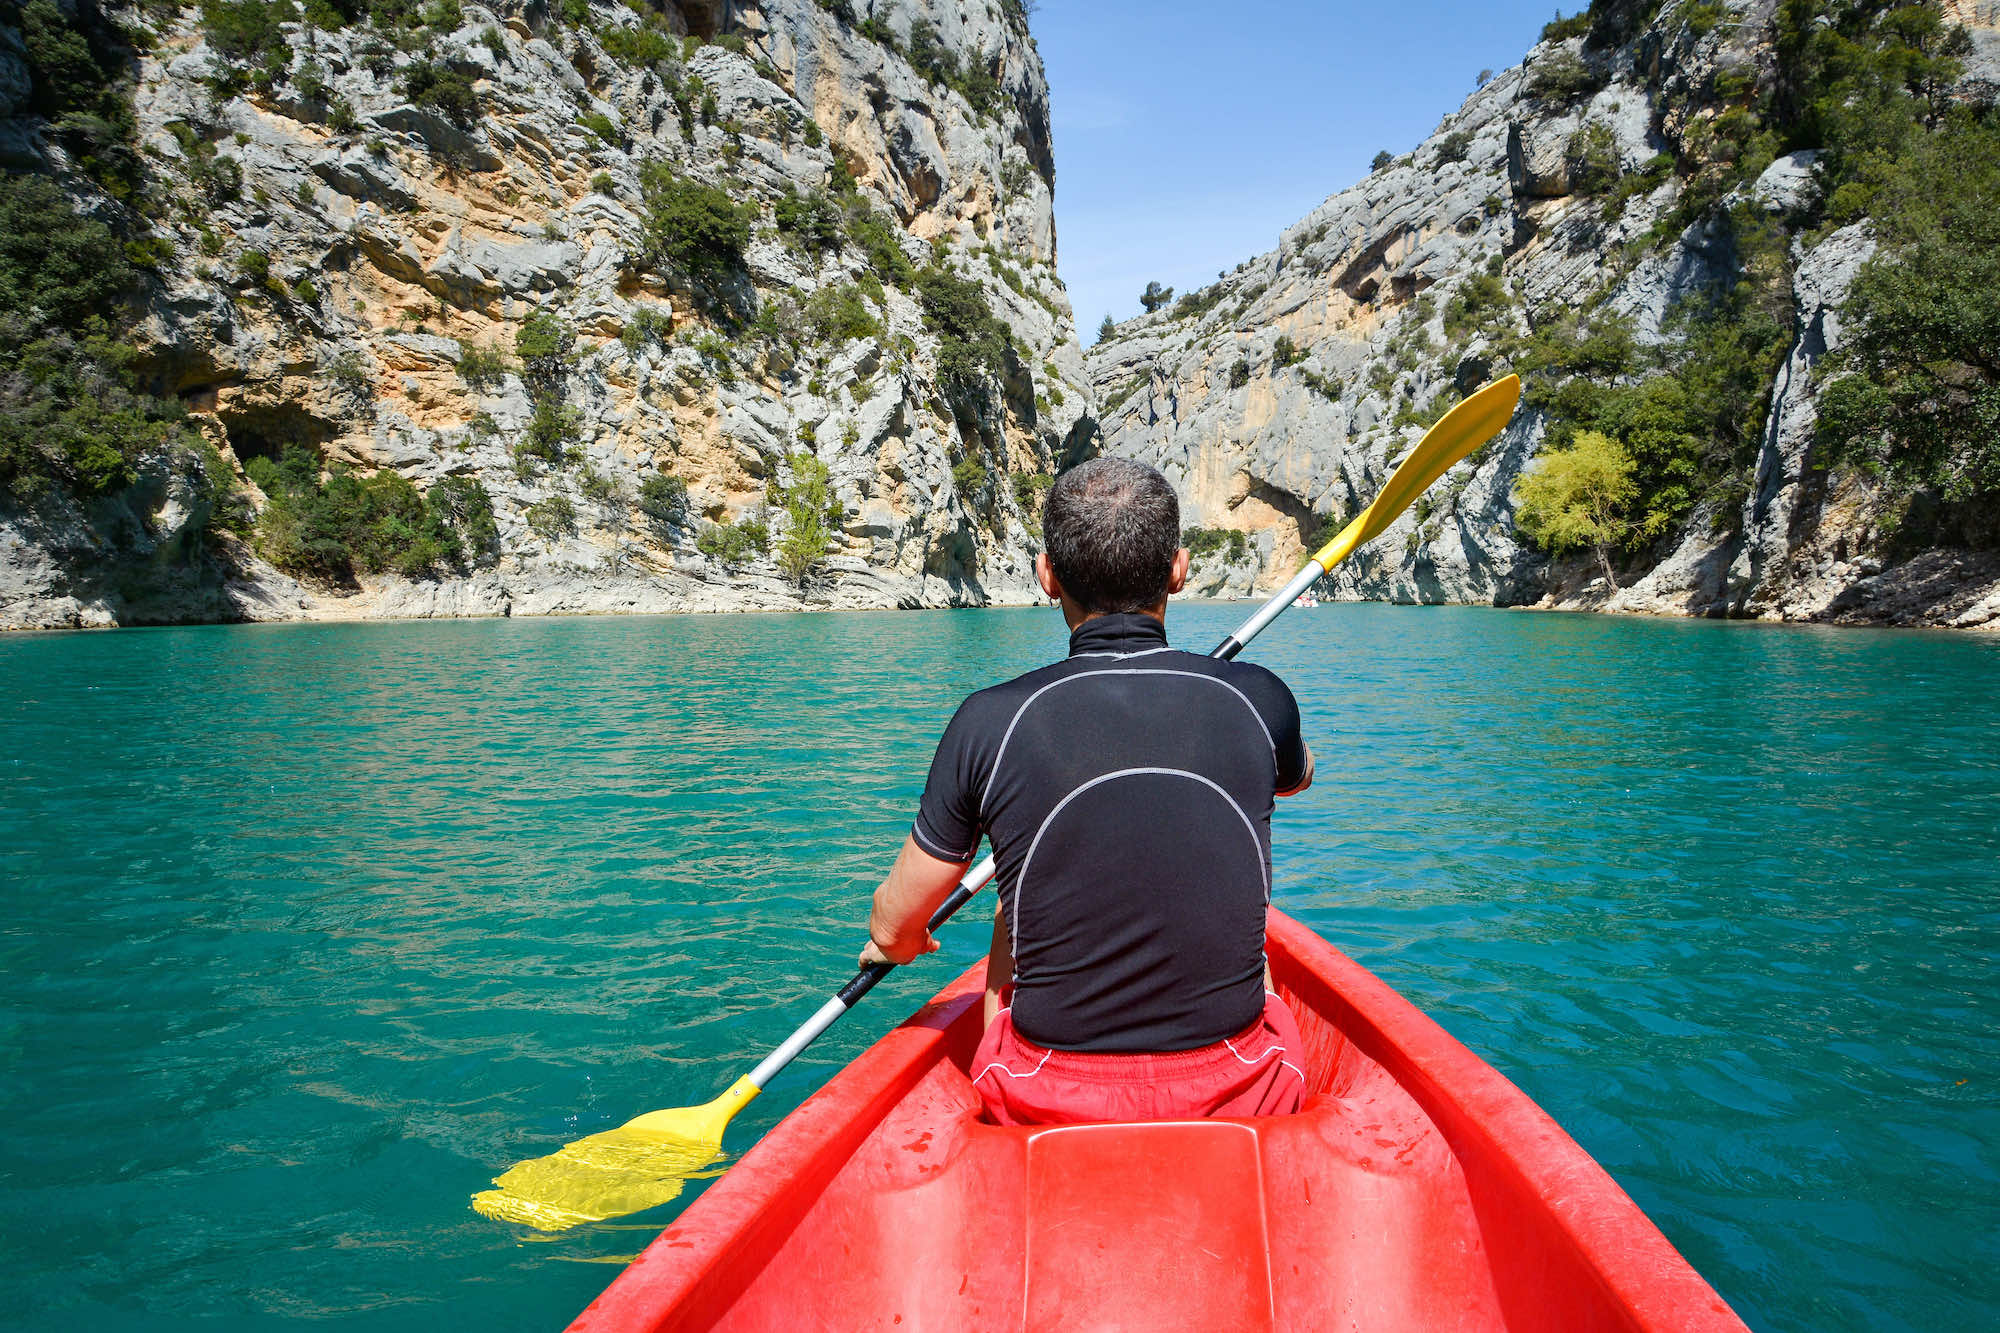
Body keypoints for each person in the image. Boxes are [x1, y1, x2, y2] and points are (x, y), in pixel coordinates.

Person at [856, 457, 1315, 1125]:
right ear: (1180, 569)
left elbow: (897, 921)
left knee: (1011, 902)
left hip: (1045, 1095)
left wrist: (895, 943)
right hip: (1244, 1086)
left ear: (1047, 576)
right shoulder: (1260, 698)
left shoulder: (988, 720)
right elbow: (1298, 777)